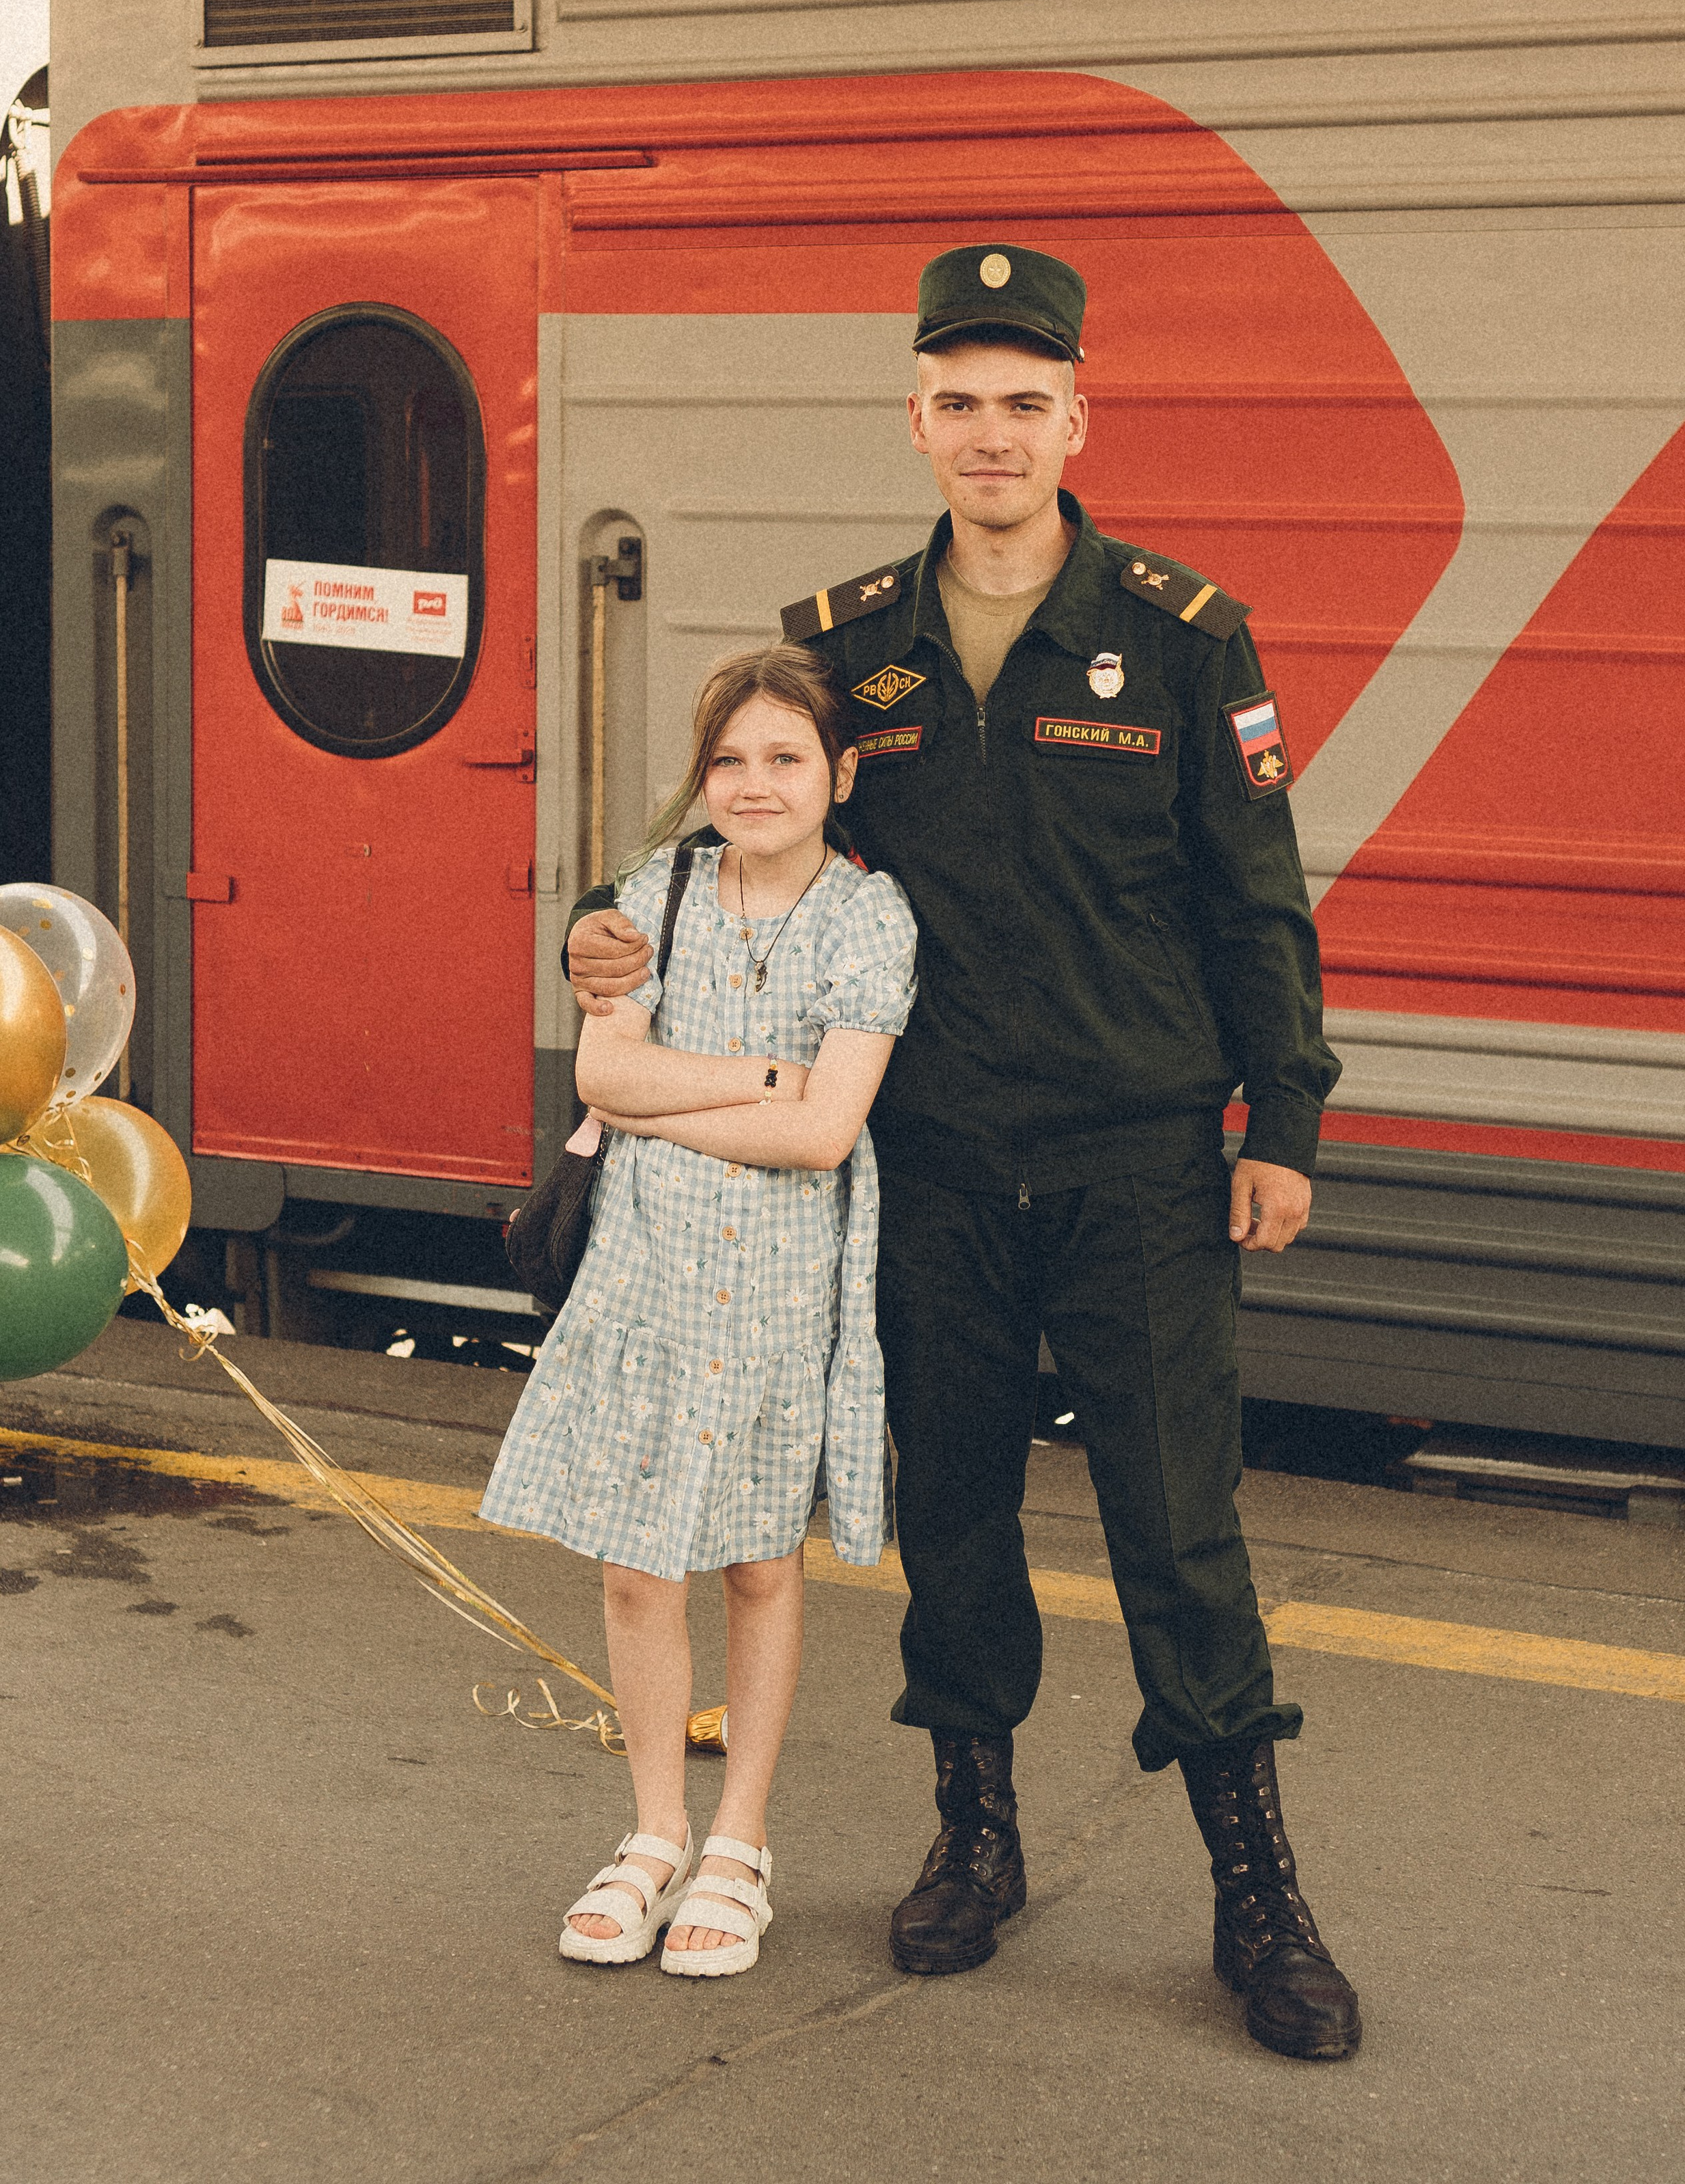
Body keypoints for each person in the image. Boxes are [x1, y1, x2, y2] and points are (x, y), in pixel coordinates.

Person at [564, 245, 1361, 2060]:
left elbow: (1256, 900)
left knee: (1178, 1529)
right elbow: (733, 842)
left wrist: (1284, 1116)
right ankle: (972, 1838)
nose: (991, 434)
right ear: (916, 421)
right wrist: (596, 941)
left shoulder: (1180, 630)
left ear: (1077, 419)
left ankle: (1260, 1894)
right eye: (959, 401)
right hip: (925, 1165)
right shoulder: (847, 644)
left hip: (1140, 1157)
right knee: (953, 1515)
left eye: (1024, 401)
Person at [484, 644, 917, 1978]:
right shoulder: (648, 895)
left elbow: (828, 1131)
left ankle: (739, 1839)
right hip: (644, 1270)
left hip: (781, 1284)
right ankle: (653, 1832)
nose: (751, 783)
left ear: (838, 775)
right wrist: (766, 1076)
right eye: (728, 759)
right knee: (631, 1561)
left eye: (785, 758)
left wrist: (701, 1093)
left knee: (754, 1561)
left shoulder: (871, 918)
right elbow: (605, 1074)